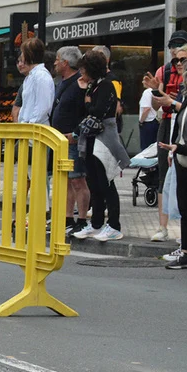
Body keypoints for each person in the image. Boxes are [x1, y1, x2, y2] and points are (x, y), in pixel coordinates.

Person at [73, 49, 131, 242]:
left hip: (104, 139)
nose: (81, 72)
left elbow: (97, 111)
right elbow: (86, 109)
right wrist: (87, 101)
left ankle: (114, 225)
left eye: (83, 68)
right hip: (92, 138)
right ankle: (96, 223)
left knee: (106, 183)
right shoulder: (93, 86)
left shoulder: (106, 85)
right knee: (94, 182)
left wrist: (88, 104)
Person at [143, 32, 187, 241]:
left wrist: (172, 103)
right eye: (175, 57)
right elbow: (156, 106)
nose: (178, 62)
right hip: (169, 123)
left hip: (183, 124)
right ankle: (163, 227)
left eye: (182, 58)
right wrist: (157, 93)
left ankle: (183, 233)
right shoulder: (164, 71)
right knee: (165, 175)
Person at [50, 46, 89, 236]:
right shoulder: (62, 83)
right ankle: (67, 218)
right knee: (65, 181)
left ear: (65, 63)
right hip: (60, 140)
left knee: (78, 180)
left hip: (72, 140)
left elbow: (86, 112)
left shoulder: (80, 83)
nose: (55, 63)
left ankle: (82, 219)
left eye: (57, 59)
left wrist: (76, 134)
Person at [158, 84, 187, 269]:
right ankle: (186, 252)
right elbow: (179, 127)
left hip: (184, 153)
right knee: (185, 207)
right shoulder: (186, 100)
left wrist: (179, 148)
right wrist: (175, 149)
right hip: (182, 158)